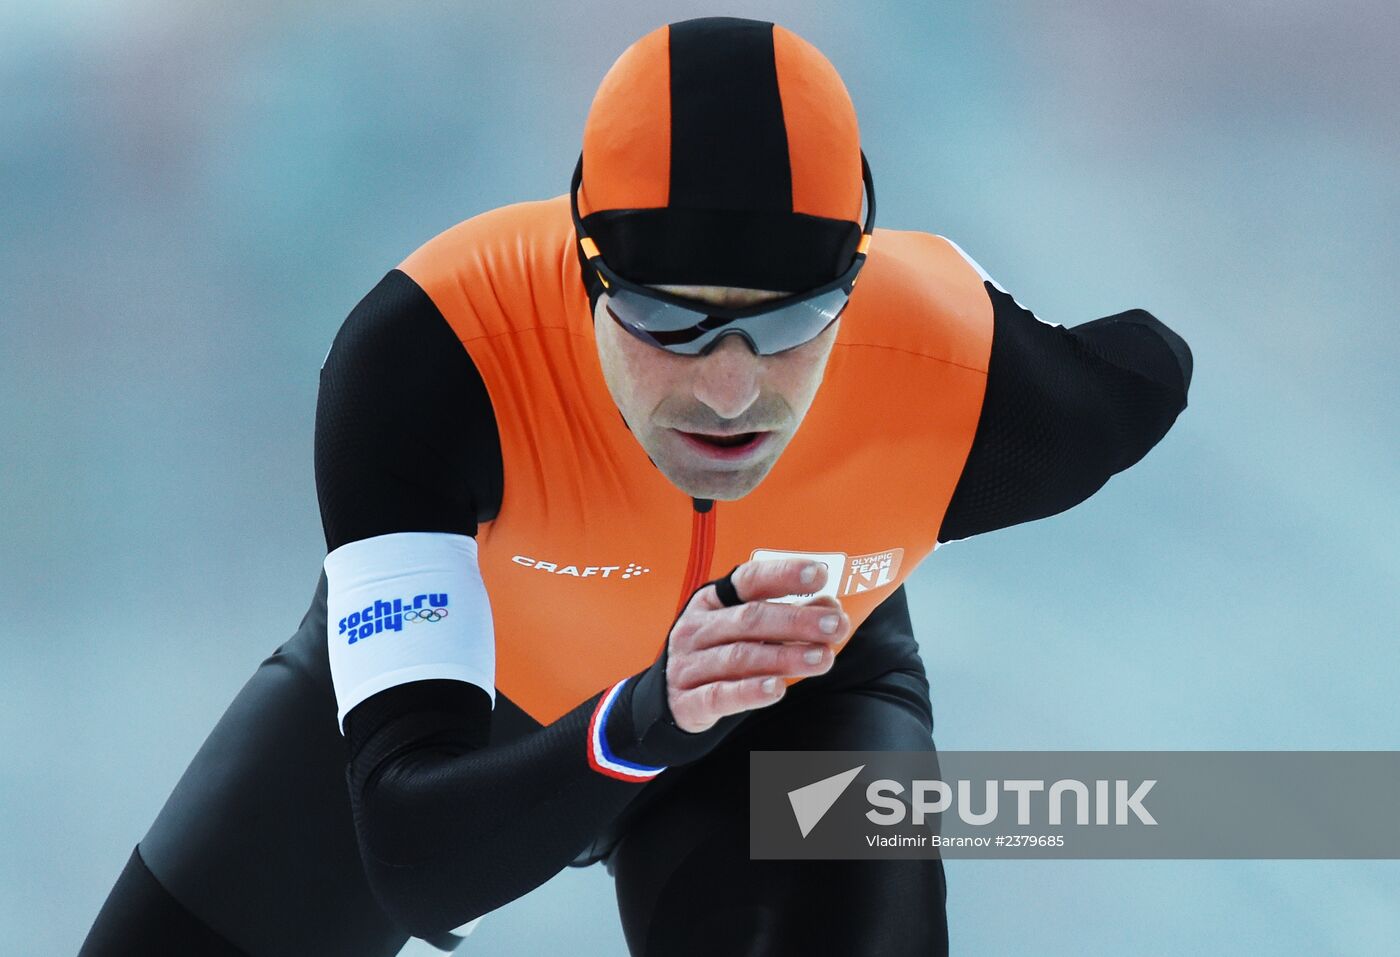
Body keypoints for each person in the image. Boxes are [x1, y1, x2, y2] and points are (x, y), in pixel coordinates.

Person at [79, 15, 1193, 957]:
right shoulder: (432, 353)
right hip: (477, 693)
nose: (725, 389)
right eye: (665, 315)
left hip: (783, 695)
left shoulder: (974, 386)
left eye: (789, 323)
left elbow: (1149, 364)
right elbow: (419, 863)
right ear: (583, 268)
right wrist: (648, 712)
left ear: (855, 286)